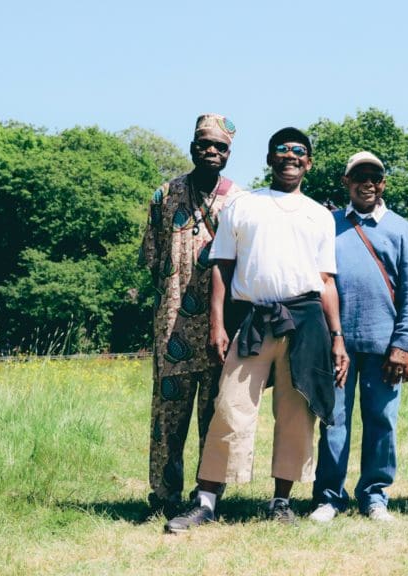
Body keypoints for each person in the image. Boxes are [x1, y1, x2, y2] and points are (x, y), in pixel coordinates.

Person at [164, 127, 349, 532]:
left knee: (297, 415)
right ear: (269, 159)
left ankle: (281, 501)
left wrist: (338, 338)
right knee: (230, 409)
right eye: (281, 149)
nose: (290, 156)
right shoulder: (244, 205)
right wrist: (217, 324)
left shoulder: (320, 215)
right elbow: (222, 267)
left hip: (305, 322)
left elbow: (326, 281)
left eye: (298, 151)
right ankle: (207, 501)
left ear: (309, 162)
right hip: (253, 320)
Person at [310, 151, 408, 523]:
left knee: (382, 422)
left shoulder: (402, 229)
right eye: (360, 177)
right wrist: (330, 338)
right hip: (337, 345)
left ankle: (375, 495)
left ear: (383, 183)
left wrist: (402, 344)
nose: (368, 184)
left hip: (385, 347)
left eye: (375, 177)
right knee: (333, 421)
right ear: (347, 182)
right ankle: (329, 497)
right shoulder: (329, 225)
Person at [140, 113, 245, 517]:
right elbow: (152, 259)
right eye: (204, 144)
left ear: (229, 153)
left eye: (220, 146)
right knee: (168, 418)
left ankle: (207, 497)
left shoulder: (239, 201)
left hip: (222, 328)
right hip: (172, 327)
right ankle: (163, 496)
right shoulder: (165, 195)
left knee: (216, 416)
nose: (211, 151)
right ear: (192, 148)